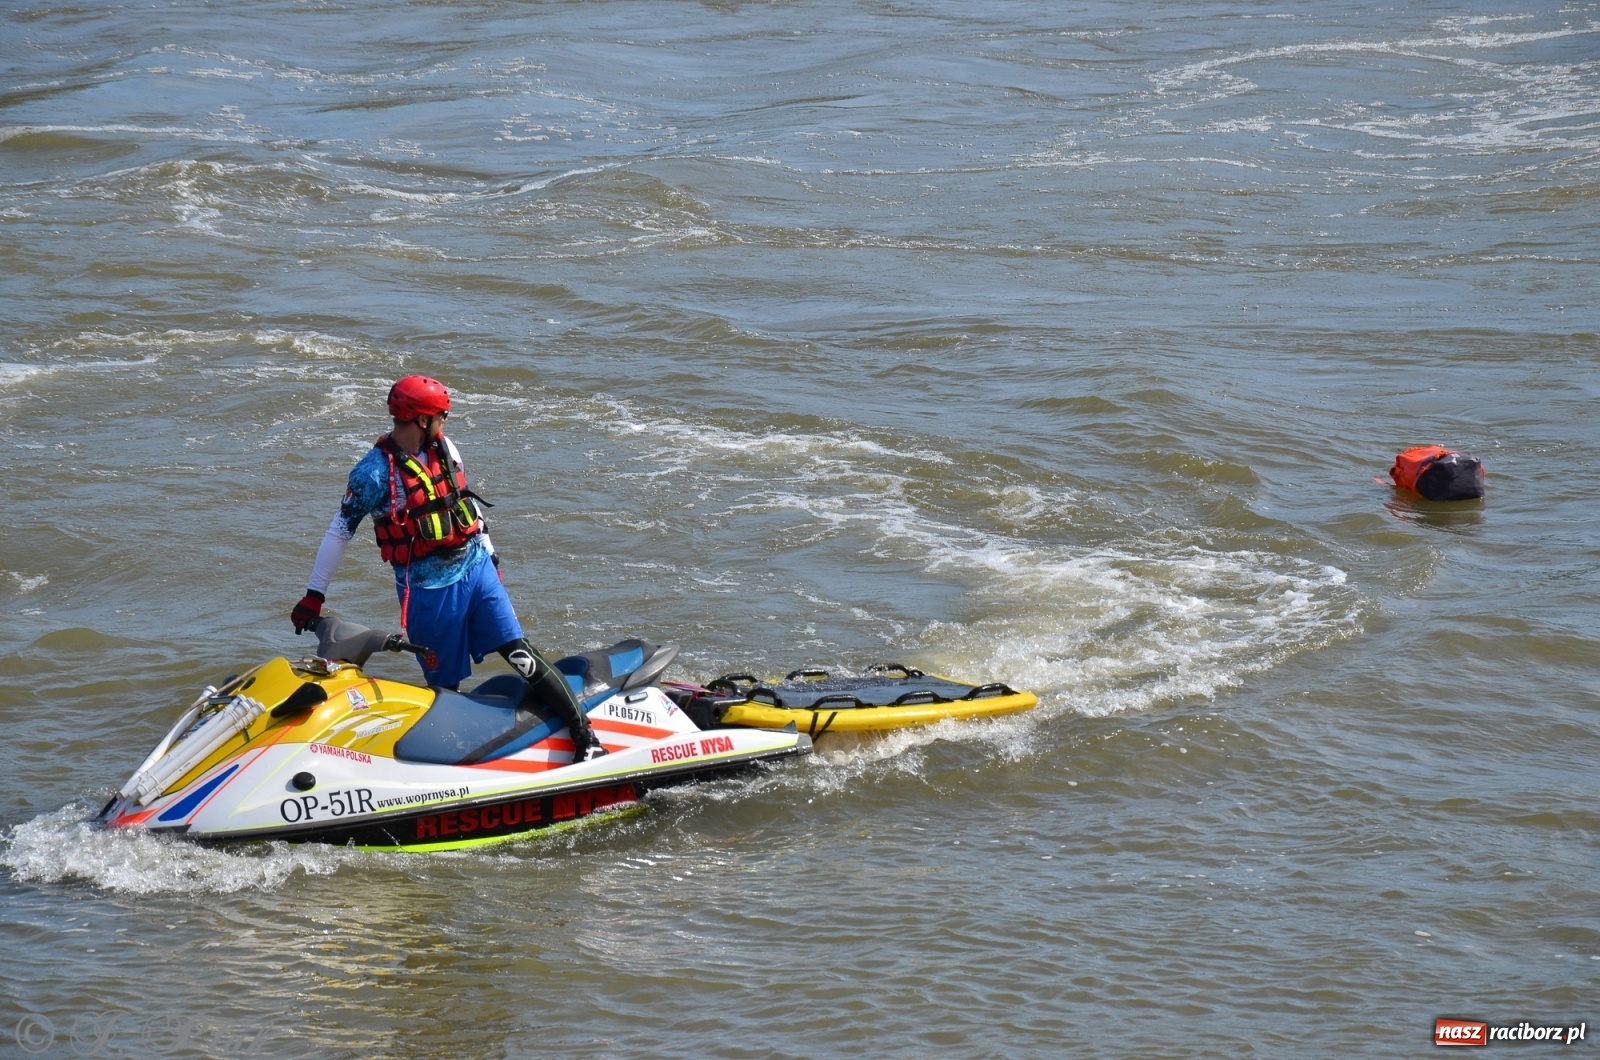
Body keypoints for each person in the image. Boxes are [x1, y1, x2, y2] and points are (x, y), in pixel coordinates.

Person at [289, 374, 606, 760]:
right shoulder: (372, 474)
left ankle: (586, 739)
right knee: (446, 686)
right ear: (422, 420)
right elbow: (340, 530)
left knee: (520, 652)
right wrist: (314, 596)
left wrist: (489, 553)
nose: (445, 422)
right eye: (441, 415)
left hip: (476, 569)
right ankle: (458, 765)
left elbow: (464, 504)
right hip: (427, 591)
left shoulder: (444, 447)